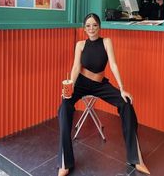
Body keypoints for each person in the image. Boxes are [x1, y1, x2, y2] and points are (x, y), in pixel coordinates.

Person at [57, 13, 150, 176]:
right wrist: (69, 88)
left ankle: (135, 159)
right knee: (64, 107)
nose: (91, 28)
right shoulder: (80, 45)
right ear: (84, 28)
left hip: (100, 84)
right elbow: (75, 68)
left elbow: (113, 64)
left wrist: (122, 88)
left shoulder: (107, 42)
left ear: (100, 27)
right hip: (82, 84)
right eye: (88, 26)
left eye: (94, 25)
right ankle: (65, 162)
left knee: (126, 104)